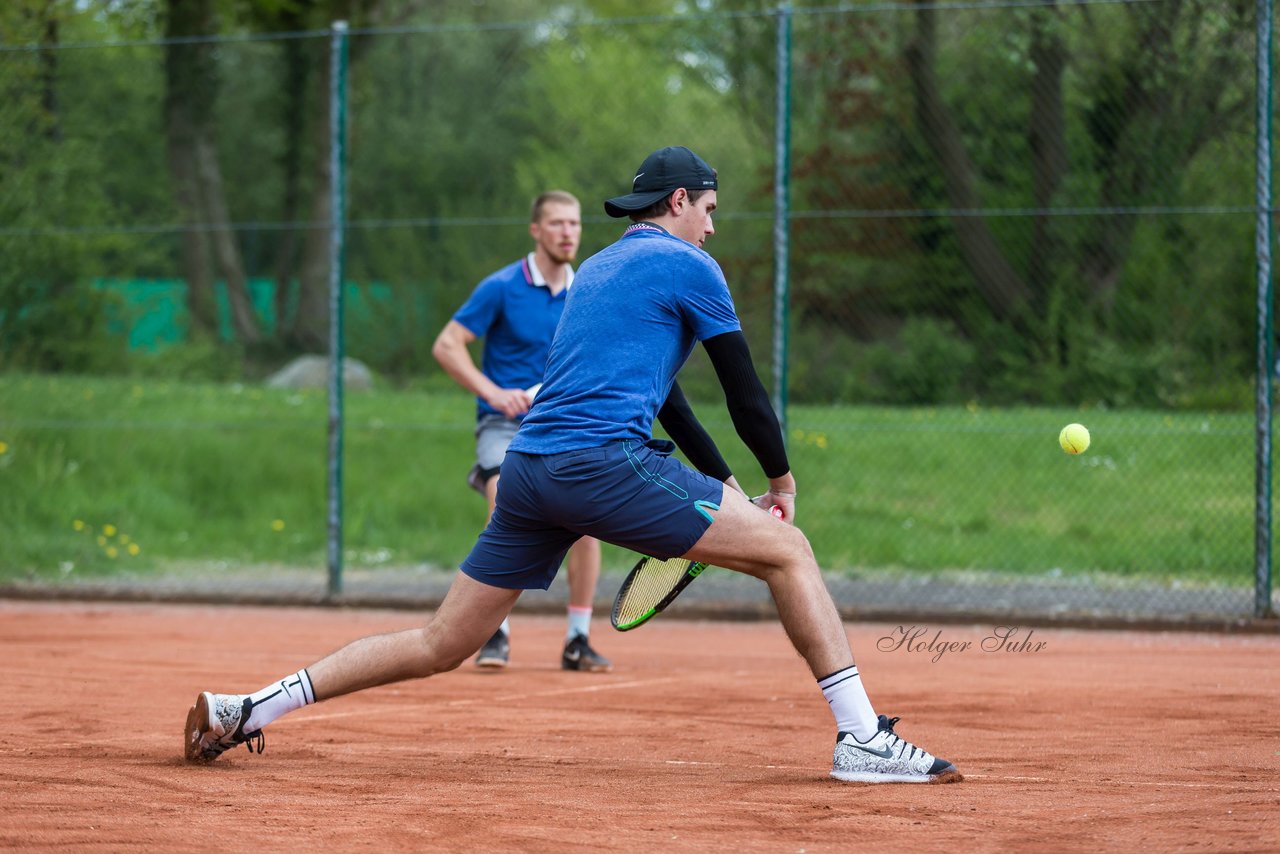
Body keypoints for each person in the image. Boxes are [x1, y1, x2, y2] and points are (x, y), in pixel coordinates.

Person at [184, 146, 962, 785]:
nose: (715, 229)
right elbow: (744, 389)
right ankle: (862, 738)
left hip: (528, 473)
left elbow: (669, 403)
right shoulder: (692, 269)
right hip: (601, 464)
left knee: (441, 643)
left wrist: (725, 483)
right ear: (682, 201)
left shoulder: (594, 271)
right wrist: (781, 483)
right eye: (712, 211)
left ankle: (246, 708)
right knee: (789, 552)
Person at [431, 190, 610, 673]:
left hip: (565, 426)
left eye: (573, 223)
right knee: (503, 495)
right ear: (536, 230)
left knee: (588, 519)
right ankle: (494, 633)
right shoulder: (502, 286)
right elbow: (448, 346)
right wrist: (493, 393)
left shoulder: (590, 289)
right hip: (504, 425)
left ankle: (578, 639)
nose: (567, 232)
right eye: (556, 223)